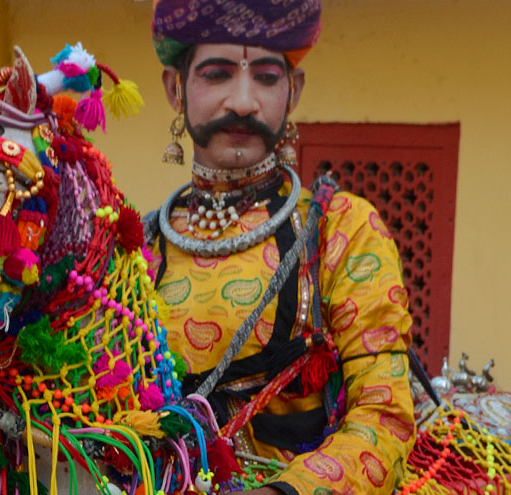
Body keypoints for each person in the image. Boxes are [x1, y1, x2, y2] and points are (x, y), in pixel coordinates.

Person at [146, 2, 416, 494]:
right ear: (174, 87)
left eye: (267, 77)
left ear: (294, 91)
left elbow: (386, 416)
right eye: (218, 74)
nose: (244, 102)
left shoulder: (340, 230)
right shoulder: (138, 250)